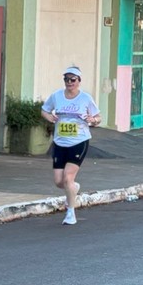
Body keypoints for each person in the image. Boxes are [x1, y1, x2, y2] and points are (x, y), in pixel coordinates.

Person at [41, 66, 101, 225]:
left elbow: (98, 117)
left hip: (79, 142)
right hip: (60, 142)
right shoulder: (56, 96)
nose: (69, 82)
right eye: (66, 79)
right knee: (59, 182)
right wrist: (50, 118)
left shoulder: (85, 98)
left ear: (79, 81)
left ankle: (70, 213)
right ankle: (73, 188)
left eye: (73, 79)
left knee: (68, 177)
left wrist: (92, 120)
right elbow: (44, 110)